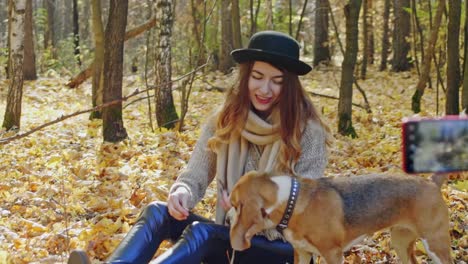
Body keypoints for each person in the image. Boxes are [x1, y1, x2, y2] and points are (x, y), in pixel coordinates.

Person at [68, 30, 330, 264]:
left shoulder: (308, 132)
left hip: (283, 250)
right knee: (158, 212)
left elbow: (305, 212)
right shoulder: (226, 120)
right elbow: (195, 175)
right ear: (245, 76)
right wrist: (182, 192)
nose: (265, 88)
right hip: (233, 240)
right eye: (257, 77)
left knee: (203, 234)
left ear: (291, 84)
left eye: (277, 80)